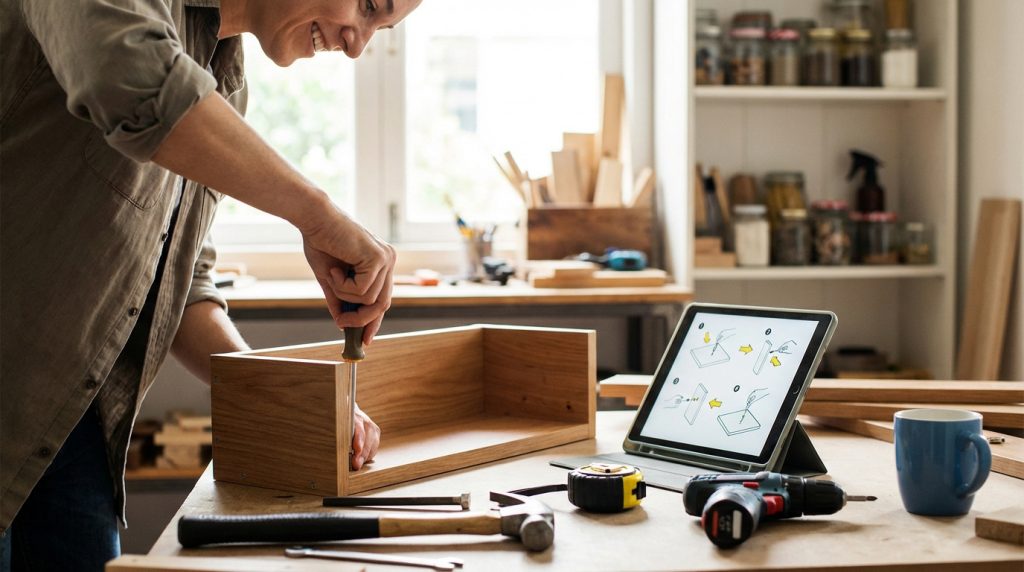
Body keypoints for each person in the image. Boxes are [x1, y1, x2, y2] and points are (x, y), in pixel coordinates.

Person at [0, 0, 422, 569]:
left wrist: (281, 391)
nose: (358, 45)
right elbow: (131, 78)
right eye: (369, 6)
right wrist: (316, 215)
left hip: (70, 426)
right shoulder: (158, 46)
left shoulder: (222, 85)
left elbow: (178, 279)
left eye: (381, 29)